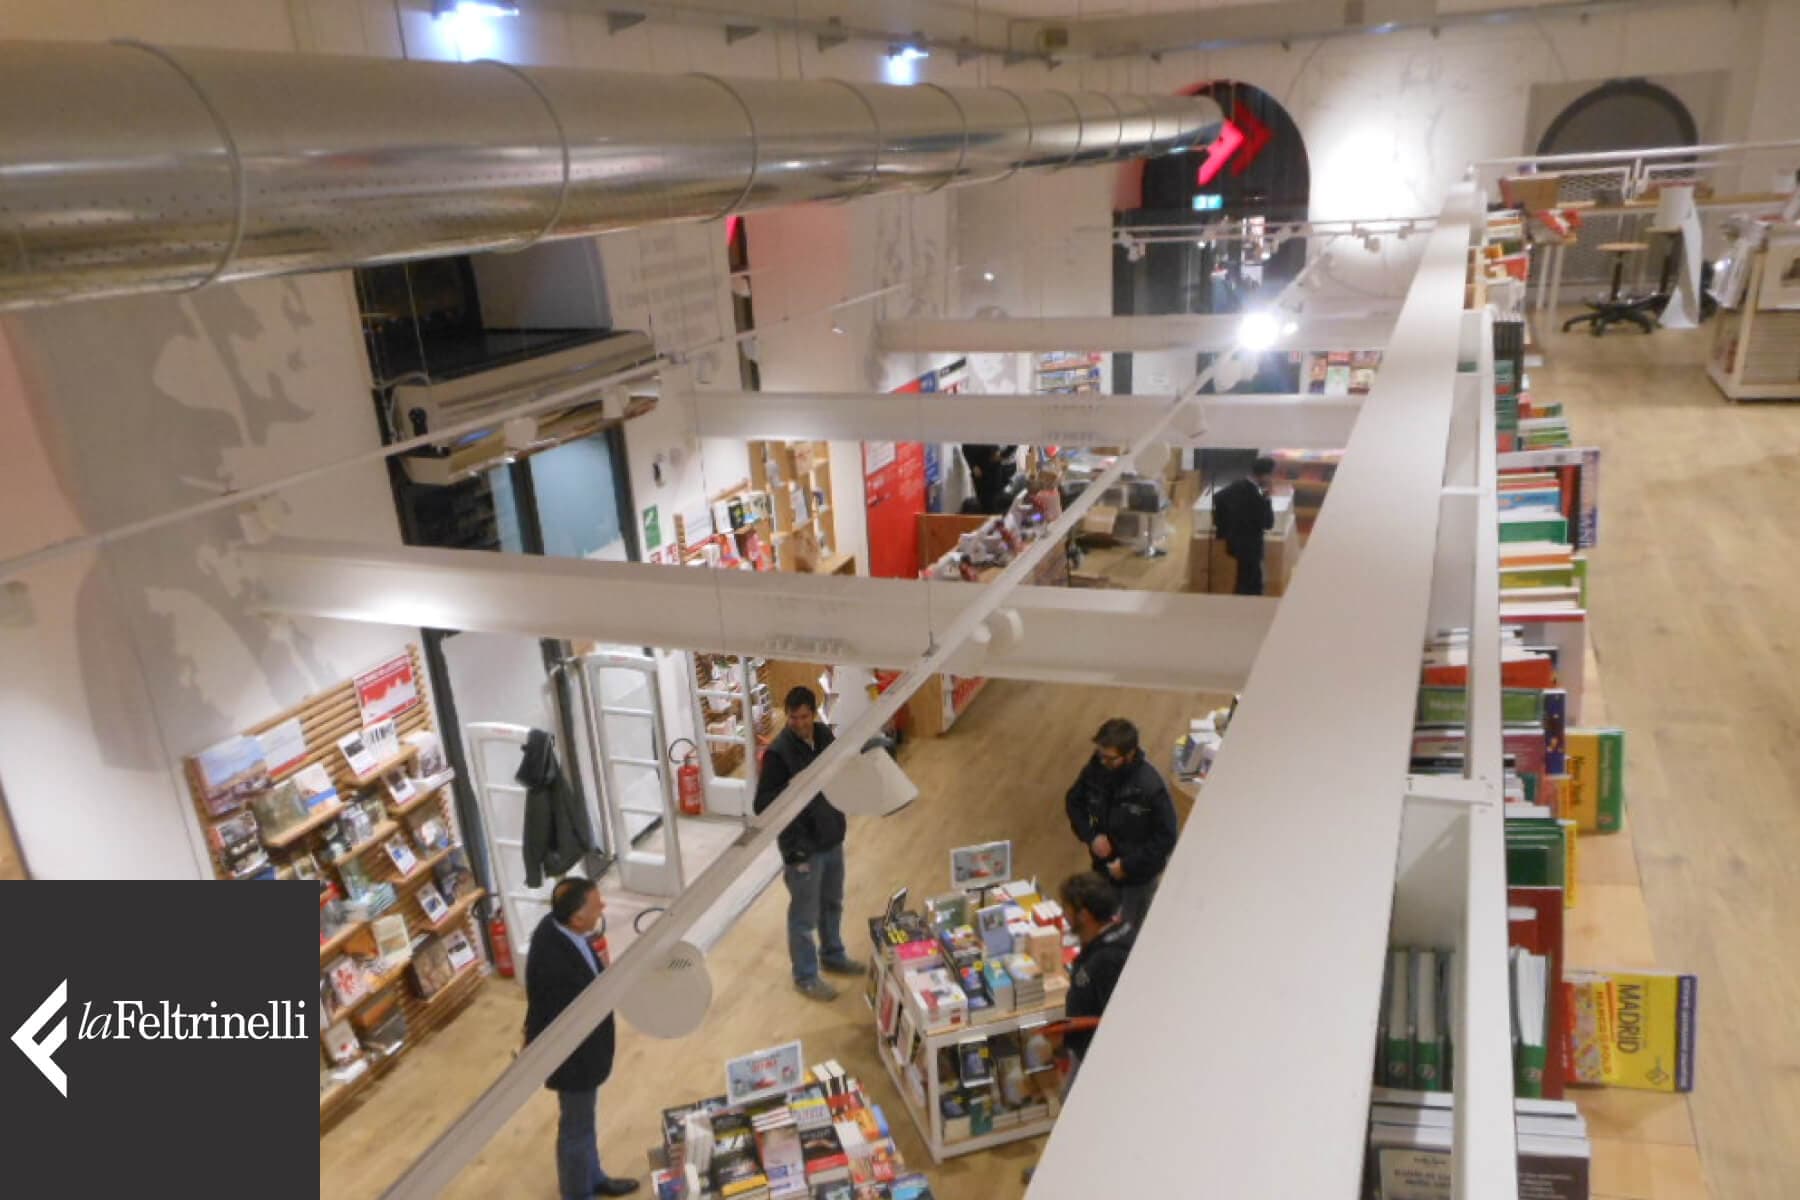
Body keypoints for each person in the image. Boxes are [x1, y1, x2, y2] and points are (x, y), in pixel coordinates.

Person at [524, 877, 640, 1197]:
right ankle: (578, 1193)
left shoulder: (561, 930)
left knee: (584, 1123)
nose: (602, 907)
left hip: (586, 1052)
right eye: (595, 905)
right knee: (576, 1128)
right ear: (576, 917)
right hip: (573, 1058)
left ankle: (593, 1177)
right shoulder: (554, 963)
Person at [754, 686, 864, 1001]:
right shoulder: (778, 754)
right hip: (802, 849)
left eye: (804, 717)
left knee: (833, 902)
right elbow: (762, 804)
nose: (800, 723)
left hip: (831, 838)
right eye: (793, 718)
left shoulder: (824, 736)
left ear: (813, 714)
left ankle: (833, 954)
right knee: (803, 917)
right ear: (787, 715)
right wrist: (792, 787)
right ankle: (805, 976)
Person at [1064, 717, 1179, 929]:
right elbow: (1074, 802)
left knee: (1128, 935)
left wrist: (1127, 865)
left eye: (1110, 758)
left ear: (1130, 754)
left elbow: (1167, 837)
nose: (1103, 762)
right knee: (1100, 927)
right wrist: (1091, 837)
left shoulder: (1150, 787)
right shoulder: (1095, 771)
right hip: (1102, 871)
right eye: (1100, 755)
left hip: (1137, 880)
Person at [1058, 870, 1138, 1071]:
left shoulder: (1107, 961)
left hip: (1099, 1063)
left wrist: (1069, 1027)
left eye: (1066, 908)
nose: (1064, 915)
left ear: (1084, 915)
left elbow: (1115, 1020)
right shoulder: (1114, 936)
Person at [1211, 455, 1277, 596]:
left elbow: (1218, 498)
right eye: (1271, 476)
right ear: (1265, 476)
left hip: (1235, 544)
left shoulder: (1236, 486)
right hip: (1251, 547)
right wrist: (1267, 497)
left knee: (1242, 579)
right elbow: (1268, 523)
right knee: (1252, 584)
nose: (1272, 479)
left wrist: (1223, 530)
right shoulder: (1257, 498)